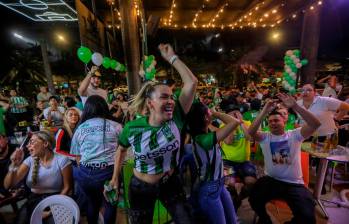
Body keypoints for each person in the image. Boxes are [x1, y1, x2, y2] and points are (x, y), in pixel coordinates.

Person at [108, 43, 198, 224]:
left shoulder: (177, 118)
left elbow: (192, 82)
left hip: (170, 182)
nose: (171, 101)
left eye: (172, 96)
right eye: (164, 97)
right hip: (140, 187)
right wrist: (114, 178)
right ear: (150, 103)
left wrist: (172, 58)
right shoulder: (132, 128)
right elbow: (121, 150)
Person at [248, 93, 321, 224]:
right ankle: (265, 219)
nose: (273, 123)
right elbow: (251, 132)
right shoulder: (265, 137)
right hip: (271, 180)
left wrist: (295, 106)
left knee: (307, 217)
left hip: (293, 184)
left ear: (284, 121)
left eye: (276, 120)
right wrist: (265, 110)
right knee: (253, 198)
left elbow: (315, 124)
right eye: (270, 121)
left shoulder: (295, 135)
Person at [70, 95, 122, 224]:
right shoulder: (116, 126)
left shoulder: (80, 128)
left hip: (85, 173)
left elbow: (77, 156)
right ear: (105, 107)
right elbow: (123, 151)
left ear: (87, 109)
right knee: (110, 204)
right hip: (108, 172)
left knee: (92, 203)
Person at [186, 102, 241, 224]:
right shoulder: (202, 139)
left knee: (233, 220)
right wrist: (215, 113)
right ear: (206, 117)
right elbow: (235, 122)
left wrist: (210, 114)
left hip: (218, 184)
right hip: (209, 188)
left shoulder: (206, 134)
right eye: (208, 111)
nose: (212, 112)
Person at [4, 131, 72, 224]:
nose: (28, 146)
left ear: (45, 143)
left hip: (56, 200)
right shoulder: (30, 160)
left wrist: (51, 211)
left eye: (32, 142)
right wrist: (13, 165)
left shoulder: (62, 160)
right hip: (34, 201)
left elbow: (68, 187)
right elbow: (8, 185)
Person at [220, 106, 256, 212]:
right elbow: (228, 141)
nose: (233, 116)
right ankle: (233, 204)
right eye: (230, 115)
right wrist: (231, 125)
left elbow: (249, 138)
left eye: (236, 113)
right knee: (229, 182)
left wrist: (240, 123)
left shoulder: (247, 123)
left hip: (244, 162)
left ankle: (238, 199)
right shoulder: (223, 125)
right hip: (227, 161)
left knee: (252, 182)